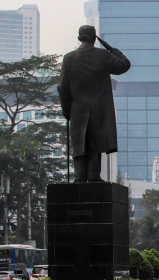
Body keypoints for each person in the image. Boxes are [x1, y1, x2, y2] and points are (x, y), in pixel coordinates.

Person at [58, 25, 131, 183]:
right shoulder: (103, 56)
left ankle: (79, 177)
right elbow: (125, 64)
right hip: (98, 109)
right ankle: (93, 176)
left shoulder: (69, 58)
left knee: (80, 143)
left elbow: (62, 87)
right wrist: (112, 49)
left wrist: (66, 110)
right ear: (94, 38)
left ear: (80, 37)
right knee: (94, 143)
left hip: (77, 109)